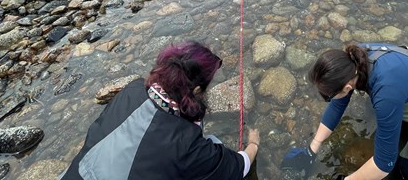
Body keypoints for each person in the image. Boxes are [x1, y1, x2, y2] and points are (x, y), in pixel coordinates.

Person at [59, 41, 260, 179]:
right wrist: (253, 144)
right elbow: (238, 167)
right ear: (197, 90)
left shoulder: (134, 90)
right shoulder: (188, 146)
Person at [281, 43, 408, 180]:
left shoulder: (386, 92)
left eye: (327, 96)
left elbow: (384, 164)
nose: (328, 101)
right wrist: (311, 149)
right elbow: (338, 104)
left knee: (404, 173)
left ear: (347, 87)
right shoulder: (355, 59)